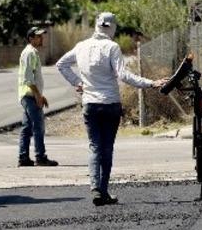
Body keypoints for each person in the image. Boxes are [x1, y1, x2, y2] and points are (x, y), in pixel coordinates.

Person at [56, 12, 167, 206]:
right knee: (107, 148)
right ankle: (104, 190)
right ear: (112, 27)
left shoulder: (81, 46)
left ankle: (95, 187)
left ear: (97, 26)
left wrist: (77, 82)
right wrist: (152, 83)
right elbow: (123, 75)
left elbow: (61, 64)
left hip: (90, 104)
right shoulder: (112, 47)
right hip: (110, 105)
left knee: (94, 146)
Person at [17, 26, 58, 168]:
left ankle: (23, 158)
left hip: (29, 95)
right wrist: (37, 96)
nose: (41, 38)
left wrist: (40, 95)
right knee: (38, 127)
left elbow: (32, 78)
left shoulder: (31, 53)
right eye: (38, 36)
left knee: (27, 127)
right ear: (31, 38)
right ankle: (40, 157)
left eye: (41, 36)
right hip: (29, 96)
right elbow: (29, 79)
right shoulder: (30, 53)